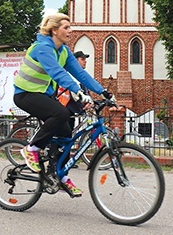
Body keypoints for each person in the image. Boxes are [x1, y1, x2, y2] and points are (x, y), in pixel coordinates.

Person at [14, 13, 112, 196]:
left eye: (70, 27)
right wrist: (78, 92)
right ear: (54, 30)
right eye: (66, 27)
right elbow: (57, 72)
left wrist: (103, 91)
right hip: (25, 94)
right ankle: (32, 148)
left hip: (43, 95)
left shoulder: (64, 51)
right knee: (60, 114)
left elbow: (81, 74)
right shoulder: (42, 48)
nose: (70, 31)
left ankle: (58, 175)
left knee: (65, 131)